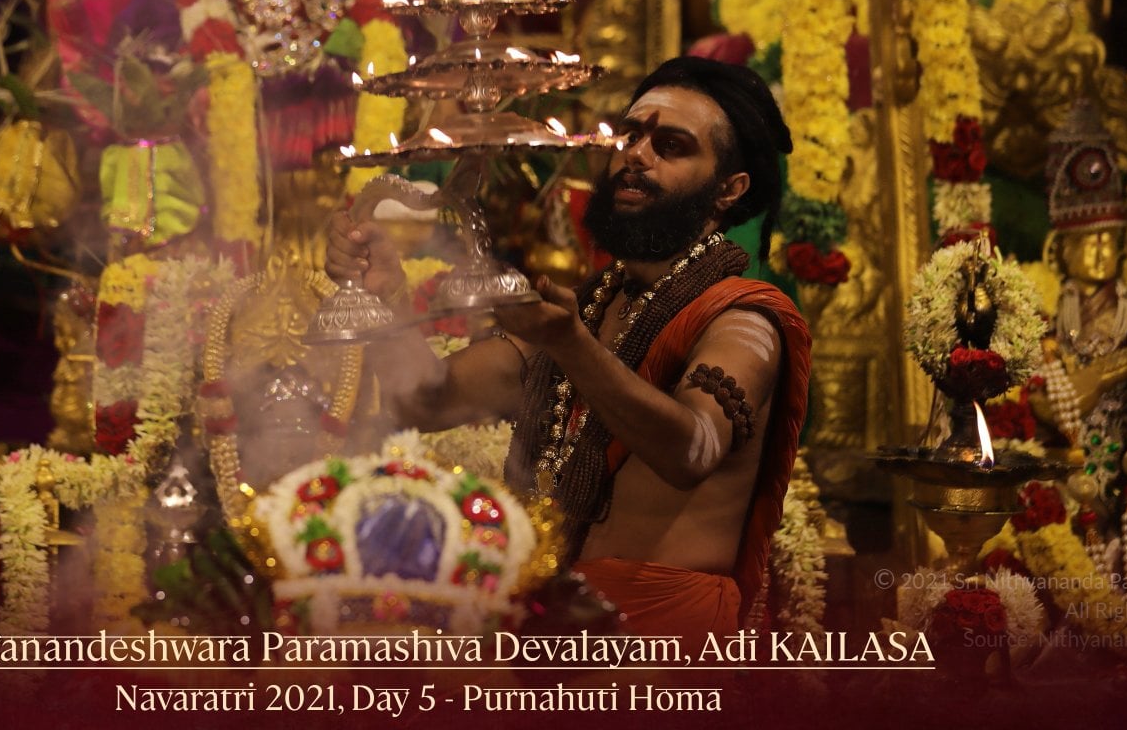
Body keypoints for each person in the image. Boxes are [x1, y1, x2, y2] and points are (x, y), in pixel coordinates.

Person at [327, 56, 811, 639]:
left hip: (659, 650)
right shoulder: (592, 308)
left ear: (729, 189)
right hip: (547, 624)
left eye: (671, 146)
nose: (636, 155)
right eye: (629, 135)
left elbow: (692, 450)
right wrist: (386, 296)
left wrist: (572, 345)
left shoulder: (743, 319)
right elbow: (427, 401)